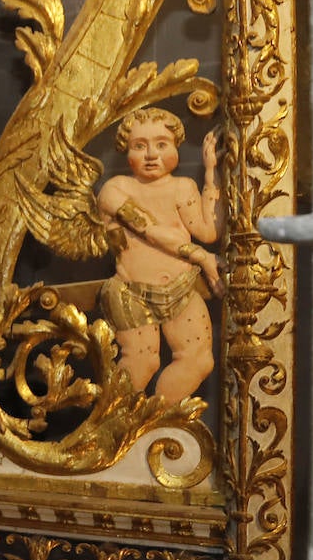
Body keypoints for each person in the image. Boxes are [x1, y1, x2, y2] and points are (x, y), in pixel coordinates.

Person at [96, 107, 224, 403]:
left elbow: (209, 230)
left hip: (180, 289)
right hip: (133, 294)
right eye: (140, 146)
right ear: (126, 150)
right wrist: (201, 256)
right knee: (143, 363)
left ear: (176, 146)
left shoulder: (184, 187)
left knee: (198, 360)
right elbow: (149, 230)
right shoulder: (116, 190)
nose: (151, 154)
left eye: (161, 144)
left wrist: (211, 172)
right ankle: (117, 428)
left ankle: (158, 425)